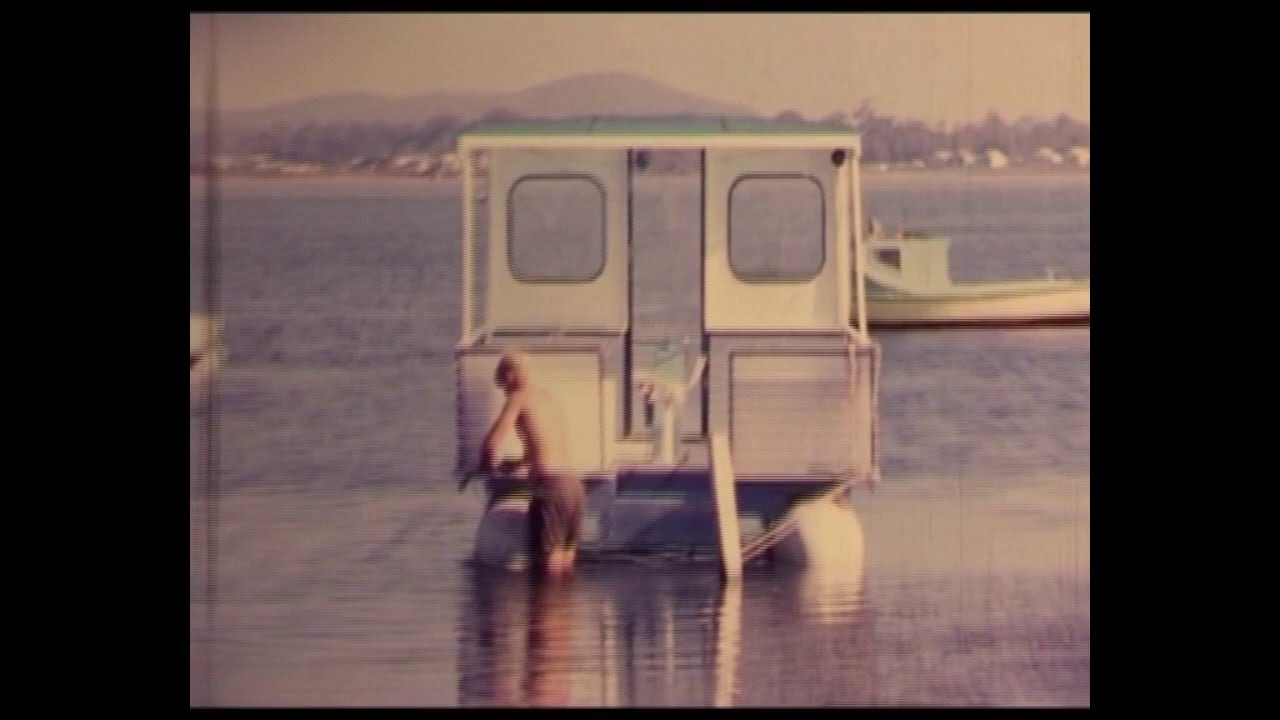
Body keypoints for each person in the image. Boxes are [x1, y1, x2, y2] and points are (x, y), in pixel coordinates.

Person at [481, 349, 585, 578]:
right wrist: (518, 463)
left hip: (552, 489)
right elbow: (546, 442)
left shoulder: (519, 395)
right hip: (574, 487)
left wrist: (484, 465)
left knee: (547, 574)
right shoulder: (548, 397)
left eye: (502, 385)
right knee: (565, 567)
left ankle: (543, 613)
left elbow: (490, 445)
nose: (505, 392)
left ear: (510, 375)